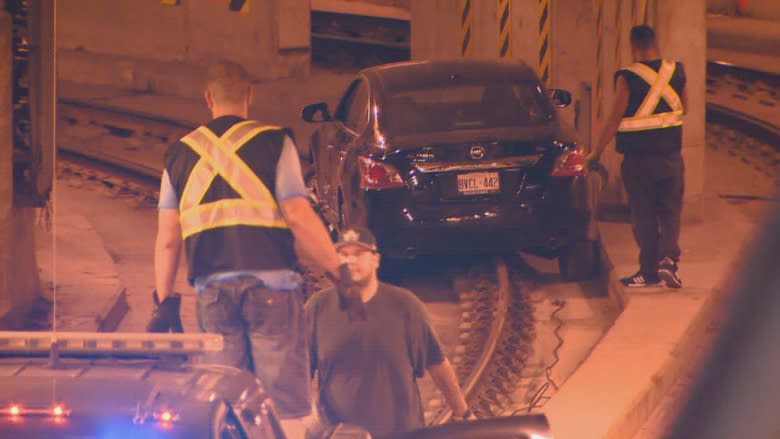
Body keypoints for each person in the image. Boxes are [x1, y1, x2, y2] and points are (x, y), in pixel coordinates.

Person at [146, 60, 355, 436]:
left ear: (208, 98)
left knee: (227, 398)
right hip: (271, 288)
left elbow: (167, 238)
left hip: (212, 290)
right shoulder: (276, 142)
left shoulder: (179, 153)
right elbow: (297, 214)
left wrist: (165, 302)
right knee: (284, 400)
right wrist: (338, 271)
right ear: (250, 96)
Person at [305, 227, 473, 437]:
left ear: (376, 260)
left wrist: (462, 413)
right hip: (340, 434)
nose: (350, 261)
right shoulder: (318, 307)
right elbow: (300, 370)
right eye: (344, 254)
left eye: (359, 254)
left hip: (401, 432)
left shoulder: (405, 306)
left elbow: (436, 363)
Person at [586, 24, 687, 288]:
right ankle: (669, 260)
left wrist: (596, 152)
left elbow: (613, 120)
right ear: (656, 42)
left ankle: (648, 270)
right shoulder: (676, 71)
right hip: (671, 157)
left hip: (638, 161)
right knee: (670, 211)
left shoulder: (627, 77)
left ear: (633, 46)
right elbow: (684, 106)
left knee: (643, 214)